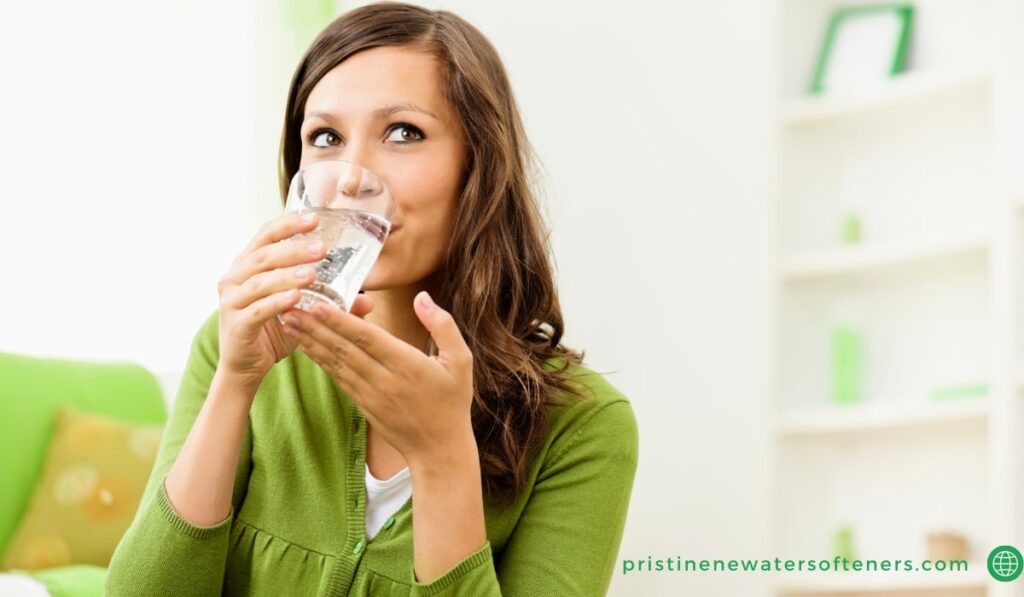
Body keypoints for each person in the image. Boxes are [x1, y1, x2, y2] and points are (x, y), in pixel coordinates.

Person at [106, 2, 639, 595]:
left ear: (479, 167)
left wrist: (441, 457)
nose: (352, 177)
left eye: (403, 132)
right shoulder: (239, 343)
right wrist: (235, 383)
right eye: (326, 137)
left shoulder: (585, 425)